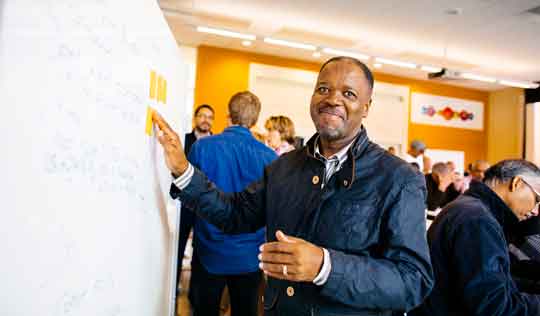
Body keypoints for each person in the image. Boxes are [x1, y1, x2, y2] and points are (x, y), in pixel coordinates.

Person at [153, 56, 433, 315]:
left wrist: (326, 267)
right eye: (323, 89)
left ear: (367, 107)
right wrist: (182, 169)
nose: (332, 99)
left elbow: (413, 280)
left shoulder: (398, 179)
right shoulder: (284, 167)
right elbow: (234, 214)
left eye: (348, 93)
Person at [179, 92, 277, 316]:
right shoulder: (270, 158)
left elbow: (189, 198)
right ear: (255, 120)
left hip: (208, 251)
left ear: (228, 115)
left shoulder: (202, 148)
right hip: (250, 256)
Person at [411, 159, 540, 316]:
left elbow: (491, 280)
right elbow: (493, 306)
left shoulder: (471, 208)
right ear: (517, 183)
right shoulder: (478, 220)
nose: (535, 211)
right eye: (537, 199)